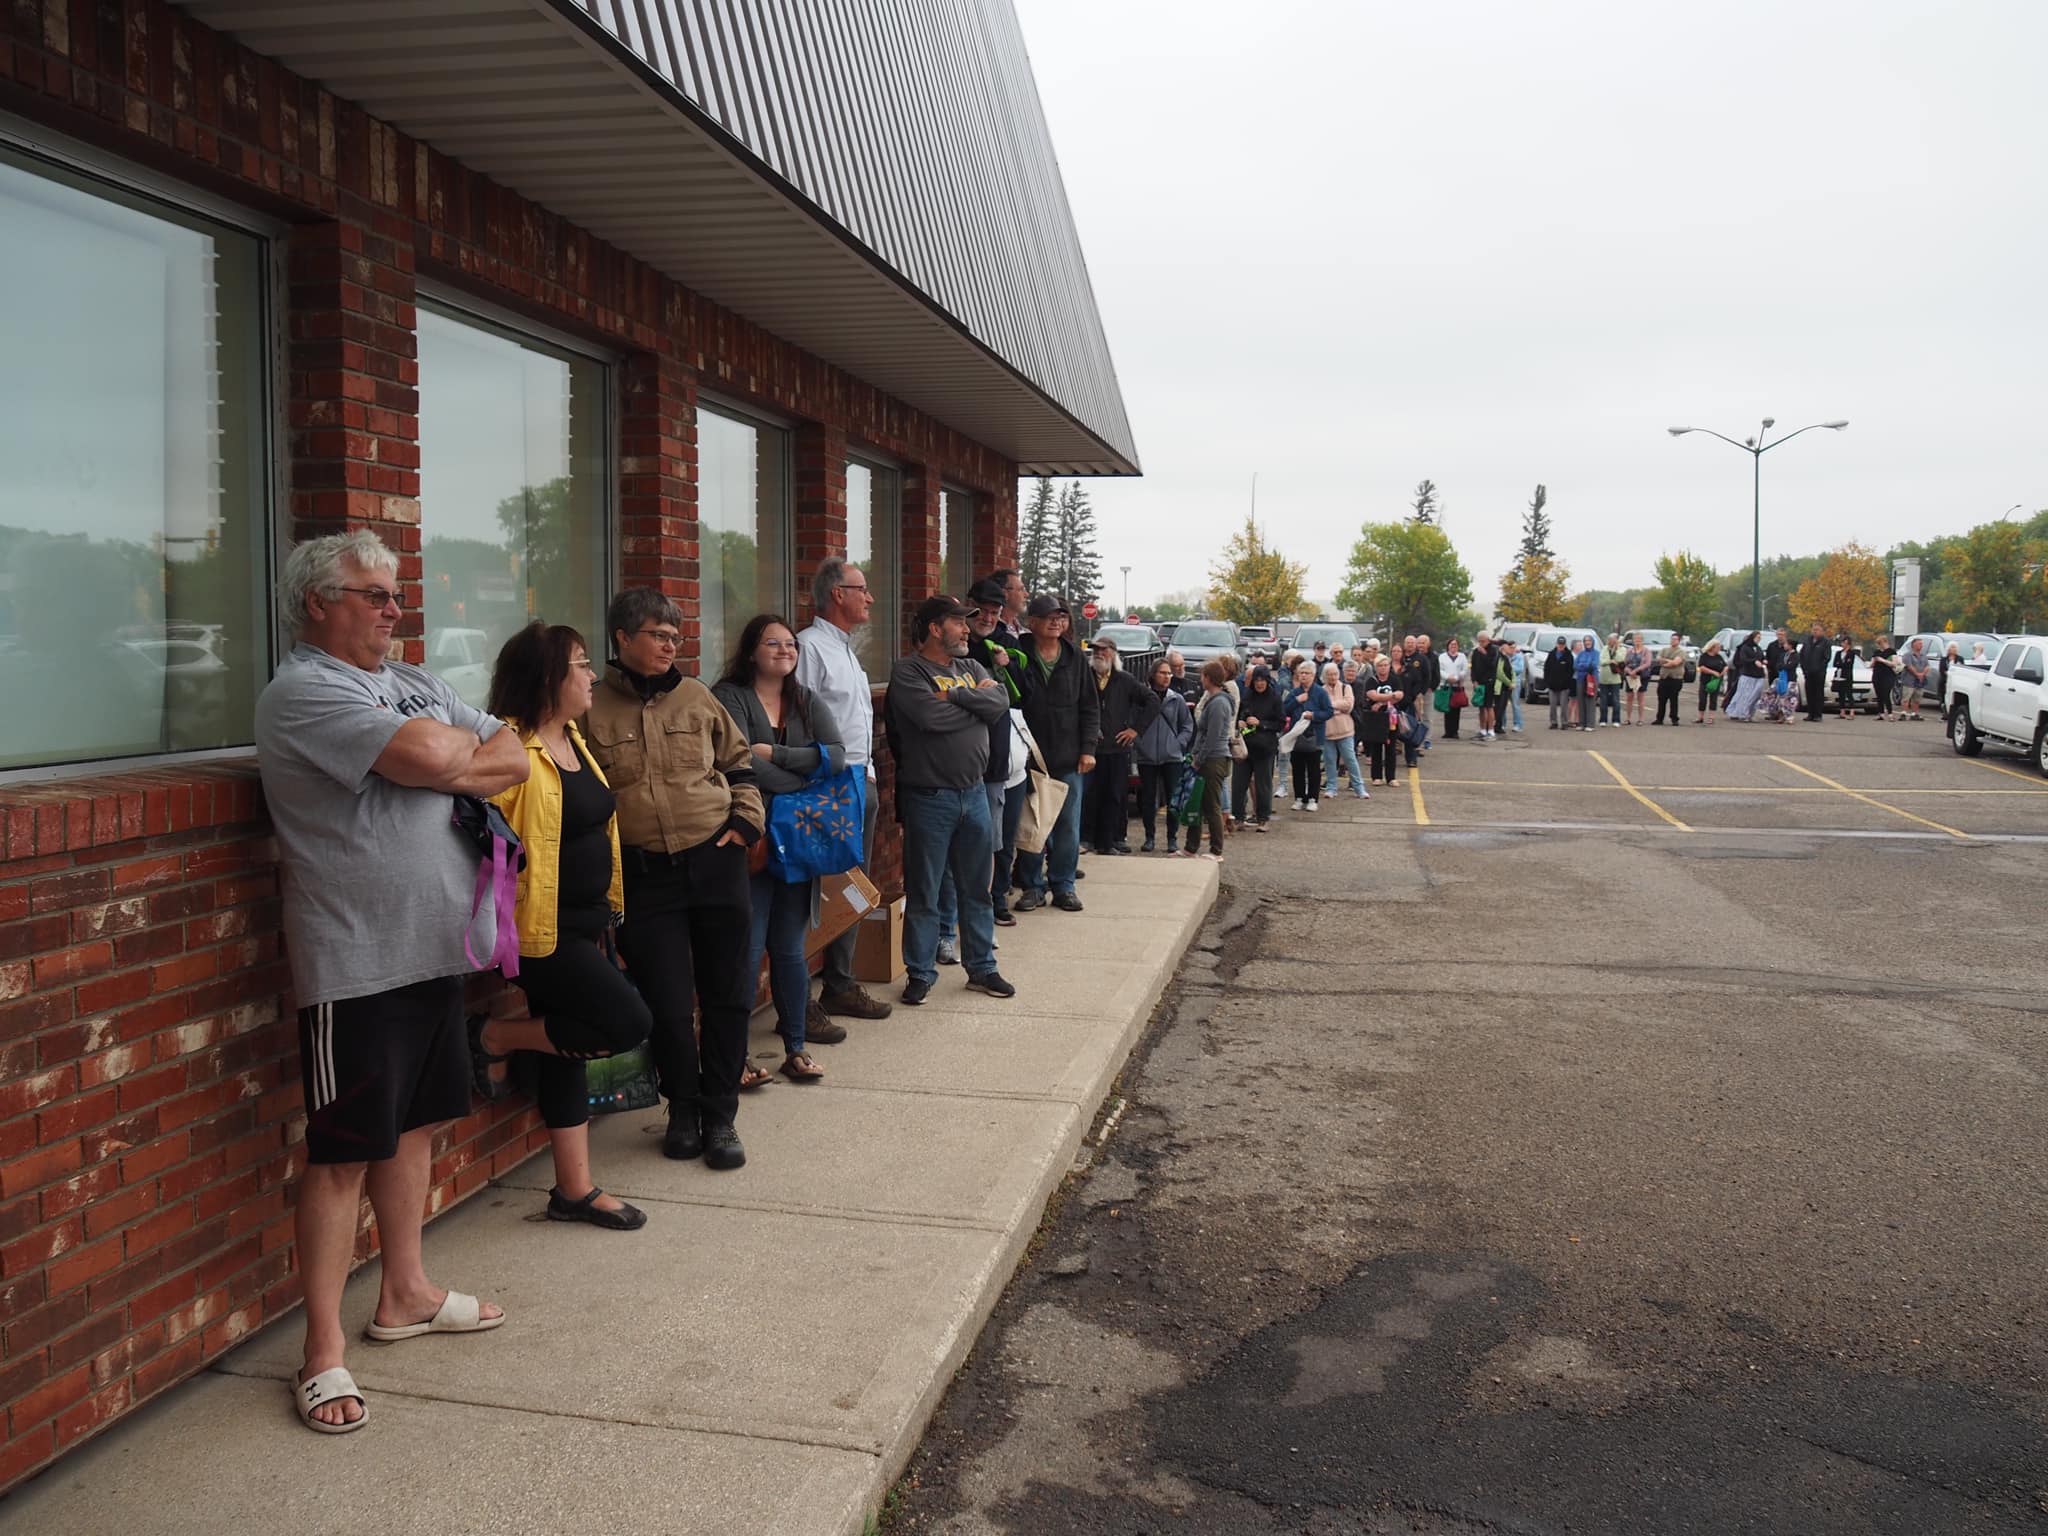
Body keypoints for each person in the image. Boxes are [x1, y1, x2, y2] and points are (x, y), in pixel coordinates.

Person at [255, 531, 526, 1433]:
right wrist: (452, 756)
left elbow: (511, 756)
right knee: (341, 1155)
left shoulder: (409, 682)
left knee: (414, 1128)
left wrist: (452, 754)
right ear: (316, 604)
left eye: (394, 594)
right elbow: (449, 762)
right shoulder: (305, 692)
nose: (391, 608)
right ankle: (322, 1352)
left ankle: (404, 1292)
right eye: (371, 595)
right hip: (356, 960)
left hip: (434, 947)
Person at [478, 622, 654, 1228]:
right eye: (579, 664)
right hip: (537, 932)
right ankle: (497, 1038)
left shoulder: (573, 738)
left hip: (586, 923)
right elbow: (479, 840)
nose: (590, 675)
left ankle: (572, 1190)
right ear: (547, 677)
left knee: (566, 1051)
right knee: (627, 1020)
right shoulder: (509, 747)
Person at [585, 589, 762, 1169]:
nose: (670, 645)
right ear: (623, 638)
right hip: (643, 876)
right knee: (664, 1001)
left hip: (715, 861)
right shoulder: (590, 708)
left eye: (674, 637)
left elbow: (739, 765)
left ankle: (721, 1116)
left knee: (726, 993)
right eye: (658, 635)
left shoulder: (697, 697)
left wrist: (744, 823)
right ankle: (681, 1107)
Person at [713, 614, 844, 1084]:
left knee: (789, 949)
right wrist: (801, 778)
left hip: (799, 843)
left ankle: (795, 1047)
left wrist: (781, 757)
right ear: (751, 651)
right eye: (773, 643)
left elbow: (838, 756)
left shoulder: (804, 699)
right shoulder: (729, 697)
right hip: (751, 838)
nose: (785, 651)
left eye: (790, 644)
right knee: (747, 949)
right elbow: (735, 759)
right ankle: (736, 1055)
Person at [884, 595, 1016, 1004]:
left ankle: (982, 969)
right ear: (935, 629)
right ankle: (920, 974)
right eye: (958, 623)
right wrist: (976, 704)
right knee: (925, 892)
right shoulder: (908, 671)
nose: (966, 629)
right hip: (930, 797)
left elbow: (1001, 703)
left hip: (974, 793)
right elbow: (929, 718)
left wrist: (955, 697)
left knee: (976, 889)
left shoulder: (972, 667)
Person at [795, 557, 891, 1027]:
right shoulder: (809, 648)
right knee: (816, 893)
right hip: (828, 789)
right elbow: (798, 722)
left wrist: (869, 772)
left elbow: (856, 722)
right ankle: (802, 998)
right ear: (837, 593)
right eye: (862, 588)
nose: (870, 597)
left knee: (854, 889)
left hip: (860, 782)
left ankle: (841, 983)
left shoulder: (846, 650)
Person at [1013, 594, 1097, 912]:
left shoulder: (1075, 657)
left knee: (1067, 826)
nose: (1056, 622)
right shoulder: (1018, 653)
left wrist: (1088, 749)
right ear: (1031, 622)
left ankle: (1063, 885)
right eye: (1048, 616)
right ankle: (1033, 887)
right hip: (1028, 757)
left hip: (1069, 758)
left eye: (1061, 617)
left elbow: (1090, 707)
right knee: (1033, 825)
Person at [961, 578, 1029, 928]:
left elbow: (1021, 693)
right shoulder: (958, 645)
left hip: (995, 758)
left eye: (994, 612)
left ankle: (994, 900)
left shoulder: (1005, 642)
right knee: (962, 847)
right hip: (957, 761)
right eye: (982, 611)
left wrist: (1007, 666)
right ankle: (962, 911)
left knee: (994, 839)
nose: (987, 618)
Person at [1083, 635, 1156, 855]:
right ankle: (1087, 839)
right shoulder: (1085, 677)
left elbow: (1153, 701)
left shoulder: (1125, 680)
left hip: (1117, 748)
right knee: (1089, 795)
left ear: (1113, 653)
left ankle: (1109, 841)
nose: (1098, 654)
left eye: (1103, 650)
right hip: (1090, 748)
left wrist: (1135, 730)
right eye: (1095, 650)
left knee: (1114, 796)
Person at [1134, 657, 1194, 851]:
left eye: (1169, 673)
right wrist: (1139, 743)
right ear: (1153, 674)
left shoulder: (1177, 699)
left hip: (1172, 756)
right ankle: (1149, 837)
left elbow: (1187, 725)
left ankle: (1172, 838)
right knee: (1148, 798)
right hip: (1147, 756)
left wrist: (1178, 744)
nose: (1167, 676)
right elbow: (1132, 722)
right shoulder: (1141, 698)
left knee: (1172, 800)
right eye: (1163, 673)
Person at [1186, 659, 1234, 861]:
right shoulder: (1216, 701)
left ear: (1208, 678)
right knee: (1197, 803)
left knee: (1211, 805)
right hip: (1208, 757)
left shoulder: (1219, 703)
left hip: (1214, 759)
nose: (1200, 679)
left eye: (1203, 675)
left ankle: (1216, 850)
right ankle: (1191, 846)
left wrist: (1200, 758)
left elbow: (1213, 736)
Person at [1232, 663, 1284, 831]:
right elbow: (1239, 715)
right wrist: (1239, 722)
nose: (1260, 683)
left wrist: (1262, 724)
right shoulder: (1246, 696)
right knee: (1238, 784)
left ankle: (1263, 818)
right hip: (1245, 746)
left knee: (1263, 785)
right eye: (1257, 680)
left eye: (1262, 680)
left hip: (1265, 747)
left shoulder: (1275, 697)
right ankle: (1238, 817)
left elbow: (1280, 723)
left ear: (1268, 681)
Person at [1283, 660, 1332, 810]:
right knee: (1297, 769)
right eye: (1301, 673)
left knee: (1313, 769)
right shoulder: (1294, 692)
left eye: (1307, 673)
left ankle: (1312, 798)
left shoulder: (1320, 692)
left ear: (1313, 675)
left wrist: (1314, 715)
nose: (1303, 676)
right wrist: (1297, 701)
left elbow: (1329, 711)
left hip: (1314, 735)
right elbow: (1284, 710)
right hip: (1297, 736)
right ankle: (1299, 797)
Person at [1321, 661, 1368, 799]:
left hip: (1346, 731)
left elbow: (1349, 705)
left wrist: (1331, 706)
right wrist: (1338, 707)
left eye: (1335, 674)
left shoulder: (1346, 688)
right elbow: (1323, 708)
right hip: (1328, 732)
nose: (1333, 677)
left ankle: (1359, 788)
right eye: (1329, 674)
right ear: (1325, 676)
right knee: (1330, 761)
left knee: (1350, 759)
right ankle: (1331, 788)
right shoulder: (1321, 690)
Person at [1358, 655, 1403, 786]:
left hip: (1391, 718)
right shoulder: (1371, 680)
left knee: (1391, 748)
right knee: (1376, 747)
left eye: (1385, 665)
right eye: (1380, 666)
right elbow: (1371, 695)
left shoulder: (1395, 679)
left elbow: (1400, 695)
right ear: (1376, 667)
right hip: (1376, 718)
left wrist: (1381, 700)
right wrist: (1391, 696)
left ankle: (1391, 777)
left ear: (1389, 666)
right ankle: (1376, 777)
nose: (1383, 668)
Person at [1726, 631, 1767, 721]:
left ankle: (1749, 713)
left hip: (1758, 674)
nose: (1759, 640)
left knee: (1755, 694)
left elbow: (1761, 657)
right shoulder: (1745, 648)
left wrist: (1764, 660)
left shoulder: (1758, 648)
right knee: (1745, 695)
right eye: (1757, 637)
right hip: (1748, 674)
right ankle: (1741, 713)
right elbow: (1743, 659)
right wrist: (1754, 661)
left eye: (1760, 638)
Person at [1798, 623, 1833, 723]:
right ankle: (1810, 713)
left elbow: (1826, 658)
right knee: (1809, 693)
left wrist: (1819, 668)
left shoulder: (1825, 642)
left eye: (1817, 630)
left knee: (1818, 694)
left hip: (1819, 673)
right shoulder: (1807, 641)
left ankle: (1818, 714)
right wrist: (1804, 668)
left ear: (1821, 631)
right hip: (1808, 672)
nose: (1815, 631)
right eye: (1813, 629)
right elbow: (1802, 654)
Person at [1438, 637, 1470, 739]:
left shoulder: (1462, 656)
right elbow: (1440, 670)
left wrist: (1457, 677)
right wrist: (1448, 677)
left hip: (1457, 686)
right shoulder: (1442, 657)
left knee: (1456, 709)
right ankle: (1448, 731)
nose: (1453, 646)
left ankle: (1455, 731)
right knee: (1447, 709)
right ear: (1448, 646)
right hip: (1446, 685)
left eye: (1455, 644)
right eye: (1451, 644)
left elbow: (1465, 670)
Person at [1543, 637, 1576, 730]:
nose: (1560, 646)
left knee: (1564, 705)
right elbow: (1546, 669)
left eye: (1562, 645)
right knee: (1553, 705)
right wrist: (1547, 681)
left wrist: (1567, 683)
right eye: (1559, 644)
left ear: (1565, 645)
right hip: (1552, 685)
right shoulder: (1551, 654)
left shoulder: (1568, 655)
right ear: (1556, 644)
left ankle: (1564, 722)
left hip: (1564, 686)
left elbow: (1570, 671)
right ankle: (1553, 722)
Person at [1653, 635, 1687, 725]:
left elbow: (1676, 663)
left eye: (1675, 639)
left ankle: (1674, 719)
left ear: (1679, 641)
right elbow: (1659, 659)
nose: (1673, 641)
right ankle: (1659, 719)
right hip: (1664, 678)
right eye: (1672, 639)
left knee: (1673, 699)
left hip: (1676, 678)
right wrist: (1668, 662)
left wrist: (1666, 662)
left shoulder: (1681, 652)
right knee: (1661, 699)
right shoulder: (1664, 650)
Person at [1695, 639, 1728, 723]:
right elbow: (1701, 667)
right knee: (1702, 699)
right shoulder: (1704, 656)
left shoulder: (1719, 657)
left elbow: (1725, 666)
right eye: (1718, 647)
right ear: (1712, 647)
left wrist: (1723, 671)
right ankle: (1700, 717)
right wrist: (1712, 672)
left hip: (1716, 681)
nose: (1719, 649)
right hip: (1705, 680)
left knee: (1713, 698)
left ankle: (1711, 717)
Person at [1897, 638, 1929, 720]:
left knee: (1917, 698)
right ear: (1913, 645)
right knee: (1906, 697)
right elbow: (1909, 666)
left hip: (1920, 681)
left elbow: (1927, 666)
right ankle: (1903, 713)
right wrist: (1917, 674)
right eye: (1919, 644)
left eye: (1921, 644)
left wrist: (1923, 674)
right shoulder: (1908, 655)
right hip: (1909, 680)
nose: (1921, 645)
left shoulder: (1923, 655)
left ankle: (1914, 714)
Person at [1622, 632, 1650, 725]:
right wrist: (1629, 672)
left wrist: (1636, 670)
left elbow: (1647, 663)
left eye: (1639, 639)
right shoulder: (1629, 651)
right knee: (1629, 697)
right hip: (1630, 676)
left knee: (1640, 697)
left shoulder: (1646, 651)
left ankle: (1640, 719)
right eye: (1635, 639)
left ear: (1642, 640)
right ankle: (1628, 718)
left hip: (1641, 676)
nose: (1637, 641)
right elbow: (1624, 663)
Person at [1573, 635, 1601, 731]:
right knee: (1580, 701)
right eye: (1585, 641)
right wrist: (1585, 665)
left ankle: (1590, 724)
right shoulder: (1581, 654)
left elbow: (1593, 665)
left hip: (1591, 679)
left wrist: (1583, 665)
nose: (1587, 642)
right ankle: (1581, 723)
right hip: (1581, 679)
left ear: (1592, 642)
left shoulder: (1596, 653)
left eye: (1589, 640)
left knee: (1590, 701)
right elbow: (1575, 665)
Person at [1598, 632, 1625, 727]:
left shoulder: (1622, 649)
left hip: (1615, 679)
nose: (1611, 642)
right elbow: (1601, 661)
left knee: (1615, 700)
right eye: (1609, 640)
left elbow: (1620, 659)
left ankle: (1616, 720)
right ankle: (1603, 719)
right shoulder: (1604, 649)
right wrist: (1610, 661)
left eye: (1613, 640)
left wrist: (1616, 649)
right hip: (1604, 679)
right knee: (1603, 700)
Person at [1871, 634, 1900, 720]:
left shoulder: (1891, 651)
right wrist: (1874, 661)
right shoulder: (1877, 652)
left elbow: (1894, 664)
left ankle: (1890, 713)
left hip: (1888, 675)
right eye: (1878, 644)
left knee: (1886, 694)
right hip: (1877, 675)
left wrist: (1882, 660)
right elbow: (1871, 664)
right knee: (1879, 695)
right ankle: (1881, 713)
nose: (1880, 646)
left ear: (1885, 642)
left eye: (1880, 643)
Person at [1833, 636, 1860, 719]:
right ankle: (1842, 712)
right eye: (1842, 643)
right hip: (1839, 675)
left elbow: (1849, 664)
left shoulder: (1851, 653)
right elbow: (1835, 663)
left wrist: (1841, 663)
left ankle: (1852, 711)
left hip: (1847, 676)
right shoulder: (1838, 653)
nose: (1843, 644)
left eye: (1844, 643)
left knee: (1849, 693)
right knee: (1841, 694)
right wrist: (1842, 663)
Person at [1502, 641, 1526, 732]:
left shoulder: (1519, 657)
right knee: (1502, 704)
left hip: (1516, 683)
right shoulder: (1504, 657)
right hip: (1505, 683)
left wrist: (1509, 668)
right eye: (1511, 647)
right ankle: (1502, 724)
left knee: (1515, 704)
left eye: (1514, 647)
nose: (1512, 649)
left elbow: (1519, 669)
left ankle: (1518, 724)